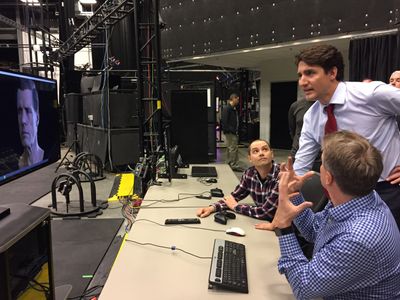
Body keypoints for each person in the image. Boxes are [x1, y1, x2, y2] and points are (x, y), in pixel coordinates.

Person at [260, 131, 400, 299]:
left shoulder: (356, 239)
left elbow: (303, 289)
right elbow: (313, 230)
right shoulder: (358, 196)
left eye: (322, 162)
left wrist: (284, 228)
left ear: (328, 177)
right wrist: (295, 193)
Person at [293, 44, 400, 229]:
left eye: (310, 73)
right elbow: (300, 168)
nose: (302, 81)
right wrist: (287, 192)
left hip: (385, 191)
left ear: (332, 72)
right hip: (340, 197)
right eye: (300, 75)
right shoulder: (312, 117)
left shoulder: (370, 94)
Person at [196, 139, 279, 221]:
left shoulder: (281, 175)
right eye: (255, 151)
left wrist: (236, 207)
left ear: (272, 154)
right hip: (266, 222)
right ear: (250, 158)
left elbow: (266, 213)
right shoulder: (249, 174)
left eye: (265, 149)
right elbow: (234, 197)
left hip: (284, 227)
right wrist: (211, 208)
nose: (261, 153)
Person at [287, 98, 321, 171]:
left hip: (322, 158)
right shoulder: (296, 106)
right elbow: (292, 130)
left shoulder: (330, 106)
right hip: (298, 155)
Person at [17, 79, 44, 168]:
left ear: (37, 118)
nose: (23, 120)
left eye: (28, 111)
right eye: (20, 111)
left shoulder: (48, 156)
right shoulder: (15, 165)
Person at [221, 93, 242, 172]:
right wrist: (231, 130)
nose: (238, 101)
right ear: (233, 99)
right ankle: (234, 165)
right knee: (232, 148)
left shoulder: (232, 108)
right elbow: (224, 122)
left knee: (231, 148)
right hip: (230, 133)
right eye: (237, 99)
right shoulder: (227, 108)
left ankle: (229, 163)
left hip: (232, 132)